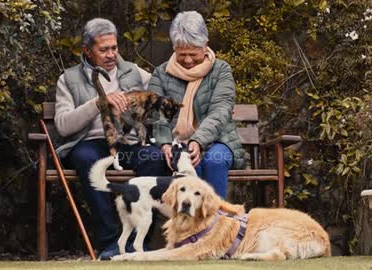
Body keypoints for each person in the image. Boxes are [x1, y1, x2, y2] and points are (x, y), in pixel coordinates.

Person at [54, 18, 165, 260]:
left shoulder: (134, 72)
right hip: (89, 143)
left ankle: (140, 243)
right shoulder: (69, 79)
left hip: (127, 142)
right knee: (87, 160)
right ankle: (111, 242)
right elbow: (63, 126)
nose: (111, 54)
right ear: (87, 50)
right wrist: (98, 103)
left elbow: (163, 92)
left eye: (114, 48)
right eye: (103, 49)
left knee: (154, 158)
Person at [149, 11, 244, 199]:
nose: (188, 60)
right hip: (177, 143)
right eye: (181, 54)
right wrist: (165, 144)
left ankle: (217, 220)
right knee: (190, 162)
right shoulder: (161, 74)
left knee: (214, 161)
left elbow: (220, 110)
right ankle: (192, 226)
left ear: (205, 44)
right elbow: (157, 115)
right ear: (174, 47)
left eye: (193, 53)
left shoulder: (221, 70)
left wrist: (197, 141)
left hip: (219, 141)